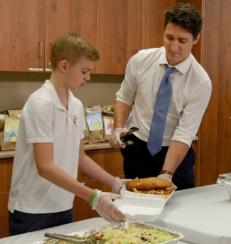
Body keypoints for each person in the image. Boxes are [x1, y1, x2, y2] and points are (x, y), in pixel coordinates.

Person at [8, 33, 126, 235]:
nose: (88, 78)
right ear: (64, 66)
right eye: (84, 71)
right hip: (32, 210)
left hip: (63, 205)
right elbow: (45, 166)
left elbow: (80, 157)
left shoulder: (76, 106)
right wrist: (94, 197)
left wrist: (114, 182)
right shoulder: (41, 103)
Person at [110, 3, 211, 190]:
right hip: (137, 147)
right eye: (169, 37)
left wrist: (167, 173)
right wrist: (118, 128)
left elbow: (184, 133)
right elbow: (124, 98)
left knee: (177, 209)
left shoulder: (200, 82)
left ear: (196, 39)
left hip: (174, 152)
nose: (173, 47)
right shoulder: (140, 60)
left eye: (182, 41)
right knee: (136, 207)